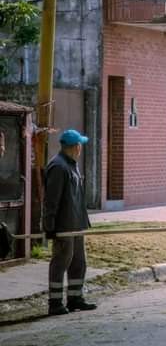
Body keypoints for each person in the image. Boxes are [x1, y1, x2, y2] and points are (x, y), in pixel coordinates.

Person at [43, 129, 96, 316]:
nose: (80, 148)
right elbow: (51, 200)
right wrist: (49, 226)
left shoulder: (71, 164)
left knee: (79, 262)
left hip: (76, 223)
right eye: (79, 144)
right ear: (74, 147)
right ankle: (55, 303)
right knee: (60, 262)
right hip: (64, 225)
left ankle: (75, 299)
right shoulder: (58, 167)